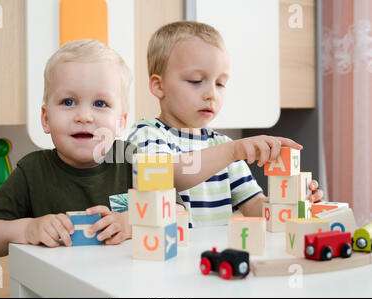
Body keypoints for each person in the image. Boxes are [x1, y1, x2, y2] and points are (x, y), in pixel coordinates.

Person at [0, 39, 185, 257]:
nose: (84, 116)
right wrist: (27, 229)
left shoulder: (131, 158)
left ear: (121, 123)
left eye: (100, 104)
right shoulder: (32, 170)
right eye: (68, 102)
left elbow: (178, 212)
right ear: (46, 118)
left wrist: (130, 223)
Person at [127, 21, 323, 227]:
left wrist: (293, 203)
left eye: (220, 83)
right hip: (171, 255)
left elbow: (255, 205)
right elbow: (166, 176)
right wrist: (232, 151)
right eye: (195, 81)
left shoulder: (223, 145)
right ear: (159, 86)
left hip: (216, 256)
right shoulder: (147, 132)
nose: (212, 94)